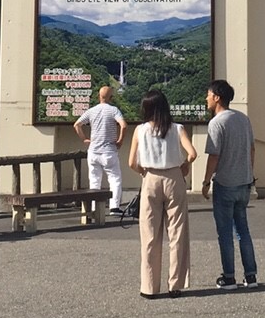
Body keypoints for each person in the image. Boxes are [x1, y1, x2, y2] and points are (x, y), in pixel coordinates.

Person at [126, 89, 196, 298]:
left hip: (150, 178)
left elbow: (131, 163)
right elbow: (192, 153)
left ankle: (149, 287)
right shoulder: (177, 129)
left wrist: (144, 174)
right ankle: (175, 285)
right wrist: (184, 166)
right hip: (174, 178)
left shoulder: (140, 130)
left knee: (149, 235)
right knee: (177, 234)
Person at [201, 79, 258, 288]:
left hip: (225, 183)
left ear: (217, 97)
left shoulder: (217, 123)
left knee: (225, 233)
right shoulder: (243, 119)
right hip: (244, 182)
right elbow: (252, 149)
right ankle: (251, 276)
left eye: (208, 95)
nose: (206, 98)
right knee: (243, 230)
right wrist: (250, 174)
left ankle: (229, 277)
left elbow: (214, 156)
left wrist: (206, 181)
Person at [74, 85, 127, 216]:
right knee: (115, 179)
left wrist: (84, 139)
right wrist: (120, 141)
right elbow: (124, 125)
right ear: (111, 97)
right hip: (109, 151)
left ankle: (94, 208)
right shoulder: (114, 110)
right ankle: (114, 208)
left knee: (94, 181)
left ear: (99, 96)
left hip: (93, 152)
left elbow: (77, 125)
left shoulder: (91, 111)